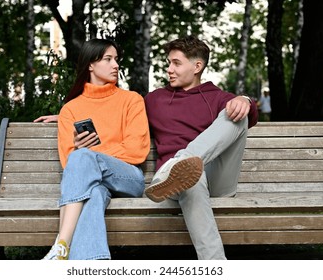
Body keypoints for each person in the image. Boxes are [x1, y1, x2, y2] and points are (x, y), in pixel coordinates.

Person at [144, 35, 258, 260]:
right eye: (169, 62)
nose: (169, 69)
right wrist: (71, 116)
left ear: (197, 66)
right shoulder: (154, 100)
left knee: (236, 113)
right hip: (178, 185)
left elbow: (249, 115)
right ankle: (216, 267)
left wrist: (245, 100)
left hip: (218, 178)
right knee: (190, 175)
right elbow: (119, 115)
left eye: (176, 63)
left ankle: (180, 162)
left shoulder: (217, 97)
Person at [41, 38, 150, 260]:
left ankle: (61, 243)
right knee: (94, 194)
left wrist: (91, 156)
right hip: (91, 184)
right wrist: (85, 157)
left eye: (116, 60)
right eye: (108, 59)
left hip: (128, 178)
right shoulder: (71, 109)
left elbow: (136, 151)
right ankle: (90, 265)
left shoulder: (132, 100)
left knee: (82, 157)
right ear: (91, 64)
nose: (116, 65)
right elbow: (68, 163)